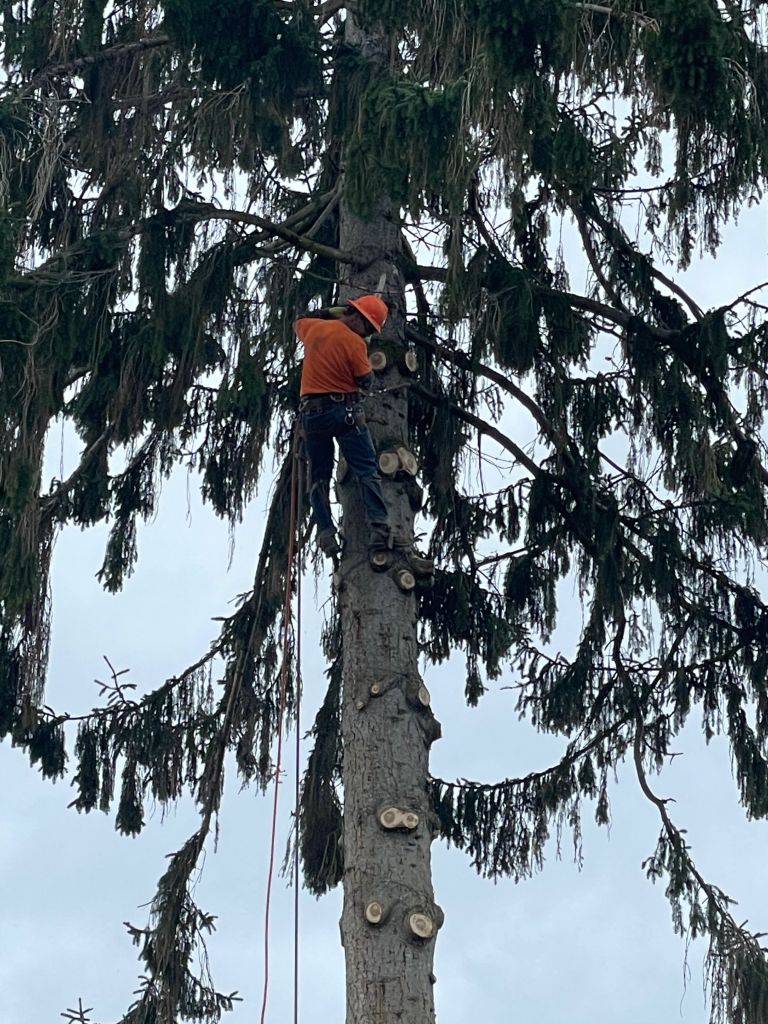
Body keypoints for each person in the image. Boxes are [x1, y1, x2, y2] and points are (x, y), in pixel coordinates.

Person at [295, 295, 391, 559]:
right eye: (369, 328)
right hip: (343, 413)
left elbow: (299, 321)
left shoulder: (314, 329)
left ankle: (326, 533)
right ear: (357, 316)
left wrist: (331, 312)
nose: (368, 333)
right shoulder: (354, 343)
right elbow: (365, 381)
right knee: (367, 469)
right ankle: (380, 529)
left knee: (319, 477)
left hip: (312, 417)